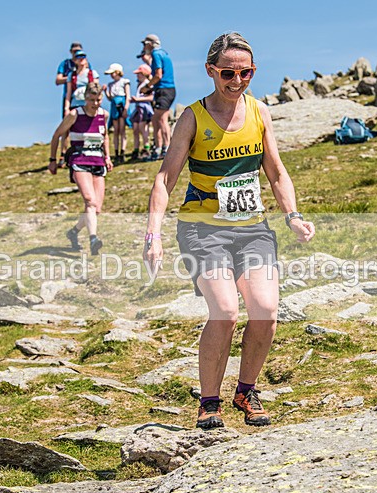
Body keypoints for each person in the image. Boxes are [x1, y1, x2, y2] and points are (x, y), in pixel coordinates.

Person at [143, 33, 315, 430]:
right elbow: (164, 179)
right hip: (203, 230)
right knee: (224, 311)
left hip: (253, 228)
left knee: (266, 311)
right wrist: (153, 235)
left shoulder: (259, 113)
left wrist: (292, 215)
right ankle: (208, 402)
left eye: (246, 72)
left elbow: (275, 170)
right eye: (228, 72)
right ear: (211, 71)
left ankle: (246, 391)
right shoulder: (193, 117)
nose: (236, 80)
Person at [49, 81, 112, 256]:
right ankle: (93, 239)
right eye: (92, 99)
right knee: (90, 200)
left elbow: (105, 136)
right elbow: (56, 135)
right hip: (79, 160)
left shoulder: (103, 115)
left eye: (98, 99)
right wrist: (53, 159)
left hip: (98, 162)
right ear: (85, 98)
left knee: (96, 208)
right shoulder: (75, 114)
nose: (95, 103)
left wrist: (107, 157)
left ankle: (74, 232)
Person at [139, 34, 175, 161]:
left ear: (149, 44)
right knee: (158, 119)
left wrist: (147, 87)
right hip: (167, 89)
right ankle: (161, 148)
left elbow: (158, 75)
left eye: (144, 44)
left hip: (164, 89)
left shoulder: (156, 54)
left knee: (159, 119)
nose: (144, 47)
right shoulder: (164, 53)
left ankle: (166, 148)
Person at [55, 42, 84, 167]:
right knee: (66, 126)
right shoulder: (65, 64)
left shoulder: (84, 63)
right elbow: (57, 79)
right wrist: (71, 78)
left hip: (82, 100)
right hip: (69, 98)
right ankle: (63, 153)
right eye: (74, 51)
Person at [103, 63, 131, 164]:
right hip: (114, 105)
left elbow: (128, 96)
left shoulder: (125, 82)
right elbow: (110, 98)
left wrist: (126, 109)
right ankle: (116, 152)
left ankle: (122, 152)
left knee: (122, 130)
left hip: (122, 105)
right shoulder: (111, 85)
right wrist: (106, 92)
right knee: (116, 130)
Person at [130, 63, 154, 161]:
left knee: (143, 128)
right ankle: (136, 149)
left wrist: (138, 100)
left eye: (139, 73)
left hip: (144, 108)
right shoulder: (140, 85)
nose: (137, 75)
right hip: (138, 108)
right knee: (136, 129)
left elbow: (151, 97)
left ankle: (146, 147)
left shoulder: (148, 84)